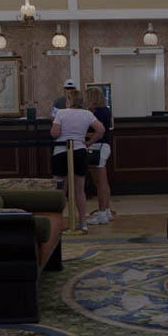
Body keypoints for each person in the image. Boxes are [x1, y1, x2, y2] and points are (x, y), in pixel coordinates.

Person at [51, 89, 104, 232]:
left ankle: (59, 222)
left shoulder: (61, 113)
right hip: (80, 151)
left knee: (60, 190)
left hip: (61, 151)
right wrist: (89, 142)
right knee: (80, 190)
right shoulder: (87, 114)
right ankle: (82, 222)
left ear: (69, 99)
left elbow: (54, 133)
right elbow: (101, 130)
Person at [84, 86, 113, 226]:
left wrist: (86, 138)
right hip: (104, 146)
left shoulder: (97, 113)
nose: (85, 100)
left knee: (99, 183)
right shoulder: (105, 110)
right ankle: (106, 210)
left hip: (98, 147)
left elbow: (99, 131)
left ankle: (102, 214)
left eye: (87, 98)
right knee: (103, 182)